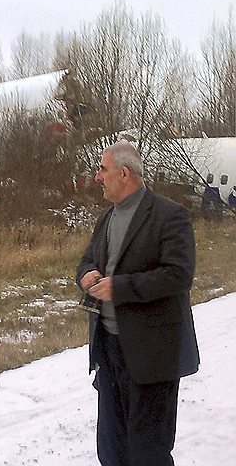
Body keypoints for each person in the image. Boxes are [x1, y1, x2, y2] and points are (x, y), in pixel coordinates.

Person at [76, 141, 199, 466]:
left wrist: (120, 287)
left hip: (152, 355)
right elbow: (87, 260)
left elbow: (178, 275)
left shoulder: (170, 215)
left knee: (148, 452)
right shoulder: (105, 220)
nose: (98, 177)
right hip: (110, 351)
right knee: (112, 451)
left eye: (103, 170)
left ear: (124, 173)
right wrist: (88, 275)